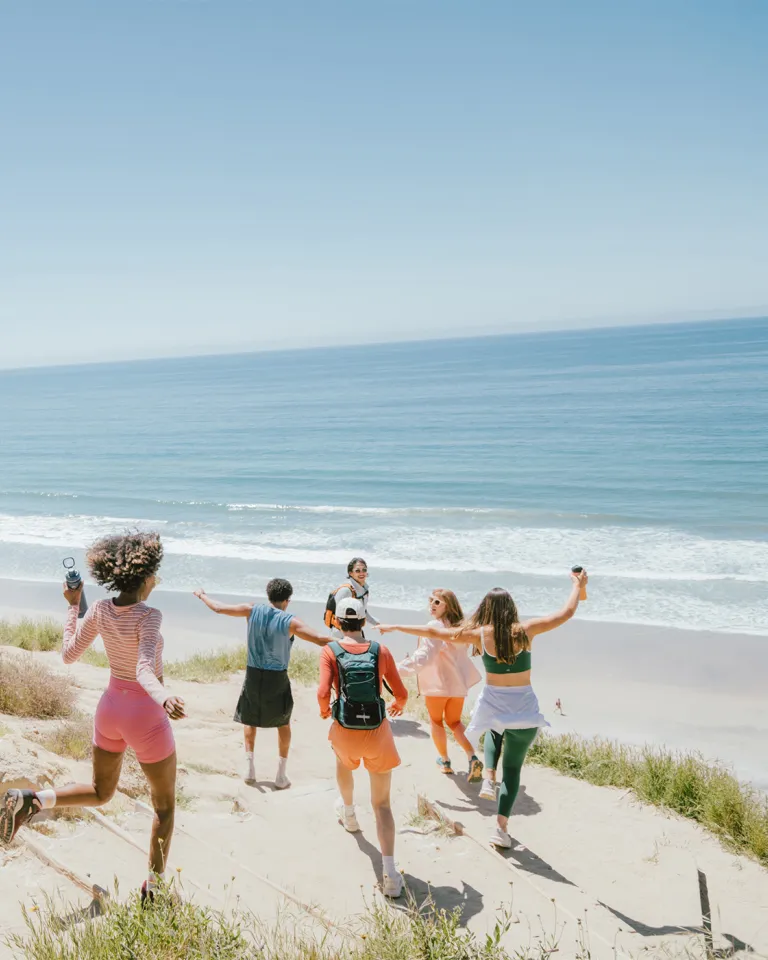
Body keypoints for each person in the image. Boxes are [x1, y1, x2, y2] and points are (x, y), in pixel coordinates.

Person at [0, 531, 185, 902]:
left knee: (102, 792)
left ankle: (32, 800)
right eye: (155, 577)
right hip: (146, 715)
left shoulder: (99, 608)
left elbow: (68, 654)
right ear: (144, 578)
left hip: (110, 709)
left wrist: (73, 605)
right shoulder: (150, 616)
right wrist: (164, 697)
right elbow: (146, 667)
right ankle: (153, 889)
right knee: (164, 808)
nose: (155, 583)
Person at [378, 570, 587, 849]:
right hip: (525, 708)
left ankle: (488, 776)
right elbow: (566, 613)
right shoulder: (527, 631)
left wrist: (395, 627)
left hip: (494, 705)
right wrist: (578, 586)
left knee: (491, 730)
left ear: (486, 609)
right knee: (512, 770)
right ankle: (500, 829)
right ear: (512, 608)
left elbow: (432, 631)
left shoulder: (479, 635)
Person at [194, 579, 330, 788]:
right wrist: (355, 642)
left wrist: (202, 594)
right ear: (287, 600)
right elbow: (320, 639)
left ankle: (249, 770)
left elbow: (219, 608)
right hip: (277, 676)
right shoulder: (290, 621)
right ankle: (281, 775)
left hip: (253, 674)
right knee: (283, 723)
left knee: (250, 719)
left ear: (268, 596)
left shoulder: (251, 610)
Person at [317, 596, 407, 898]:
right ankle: (391, 874)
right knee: (382, 804)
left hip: (345, 729)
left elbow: (321, 692)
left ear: (338, 622)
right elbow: (402, 693)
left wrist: (325, 712)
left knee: (344, 764)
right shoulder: (381, 650)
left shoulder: (329, 651)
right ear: (364, 622)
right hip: (377, 731)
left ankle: (350, 813)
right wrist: (397, 704)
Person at [397, 589, 483, 781]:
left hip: (438, 684)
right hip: (457, 685)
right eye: (431, 601)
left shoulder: (435, 626)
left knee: (436, 721)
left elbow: (424, 656)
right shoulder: (461, 628)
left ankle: (444, 761)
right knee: (455, 723)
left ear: (448, 606)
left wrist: (397, 670)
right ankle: (472, 757)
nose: (432, 605)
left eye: (438, 602)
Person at [326, 557, 379, 636]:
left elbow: (363, 612)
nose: (362, 573)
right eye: (357, 571)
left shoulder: (364, 590)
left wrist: (376, 624)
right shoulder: (346, 590)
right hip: (340, 634)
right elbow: (339, 616)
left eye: (364, 570)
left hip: (355, 632)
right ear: (350, 573)